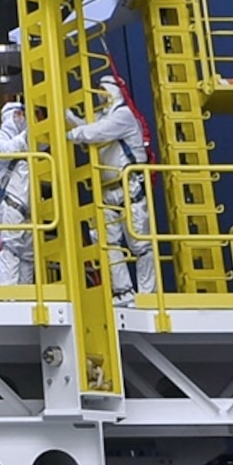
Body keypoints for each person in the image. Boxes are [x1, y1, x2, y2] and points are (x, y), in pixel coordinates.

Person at [68, 75, 150, 302]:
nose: (100, 95)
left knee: (141, 244)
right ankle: (123, 292)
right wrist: (64, 114)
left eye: (104, 90)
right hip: (108, 190)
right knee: (108, 242)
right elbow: (85, 125)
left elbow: (95, 132)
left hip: (129, 188)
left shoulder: (123, 116)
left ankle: (148, 294)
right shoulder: (104, 117)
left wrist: (70, 135)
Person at [0, 100, 36, 285]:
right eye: (18, 114)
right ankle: (8, 296)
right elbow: (7, 151)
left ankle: (27, 297)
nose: (22, 118)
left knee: (28, 257)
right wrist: (28, 134)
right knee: (10, 251)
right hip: (12, 204)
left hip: (29, 209)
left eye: (23, 114)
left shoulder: (27, 140)